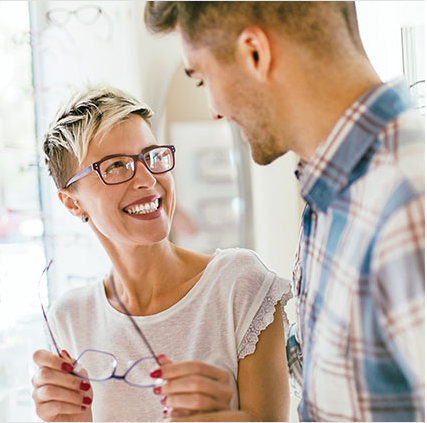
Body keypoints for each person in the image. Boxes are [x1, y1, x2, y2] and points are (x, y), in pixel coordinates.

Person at [144, 1, 425, 421]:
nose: (214, 110)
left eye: (202, 78)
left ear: (255, 52)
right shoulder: (334, 198)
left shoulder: (407, 202)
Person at [31, 86, 292, 422]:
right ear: (71, 202)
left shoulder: (238, 285)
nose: (147, 179)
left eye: (151, 157)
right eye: (115, 166)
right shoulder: (70, 319)